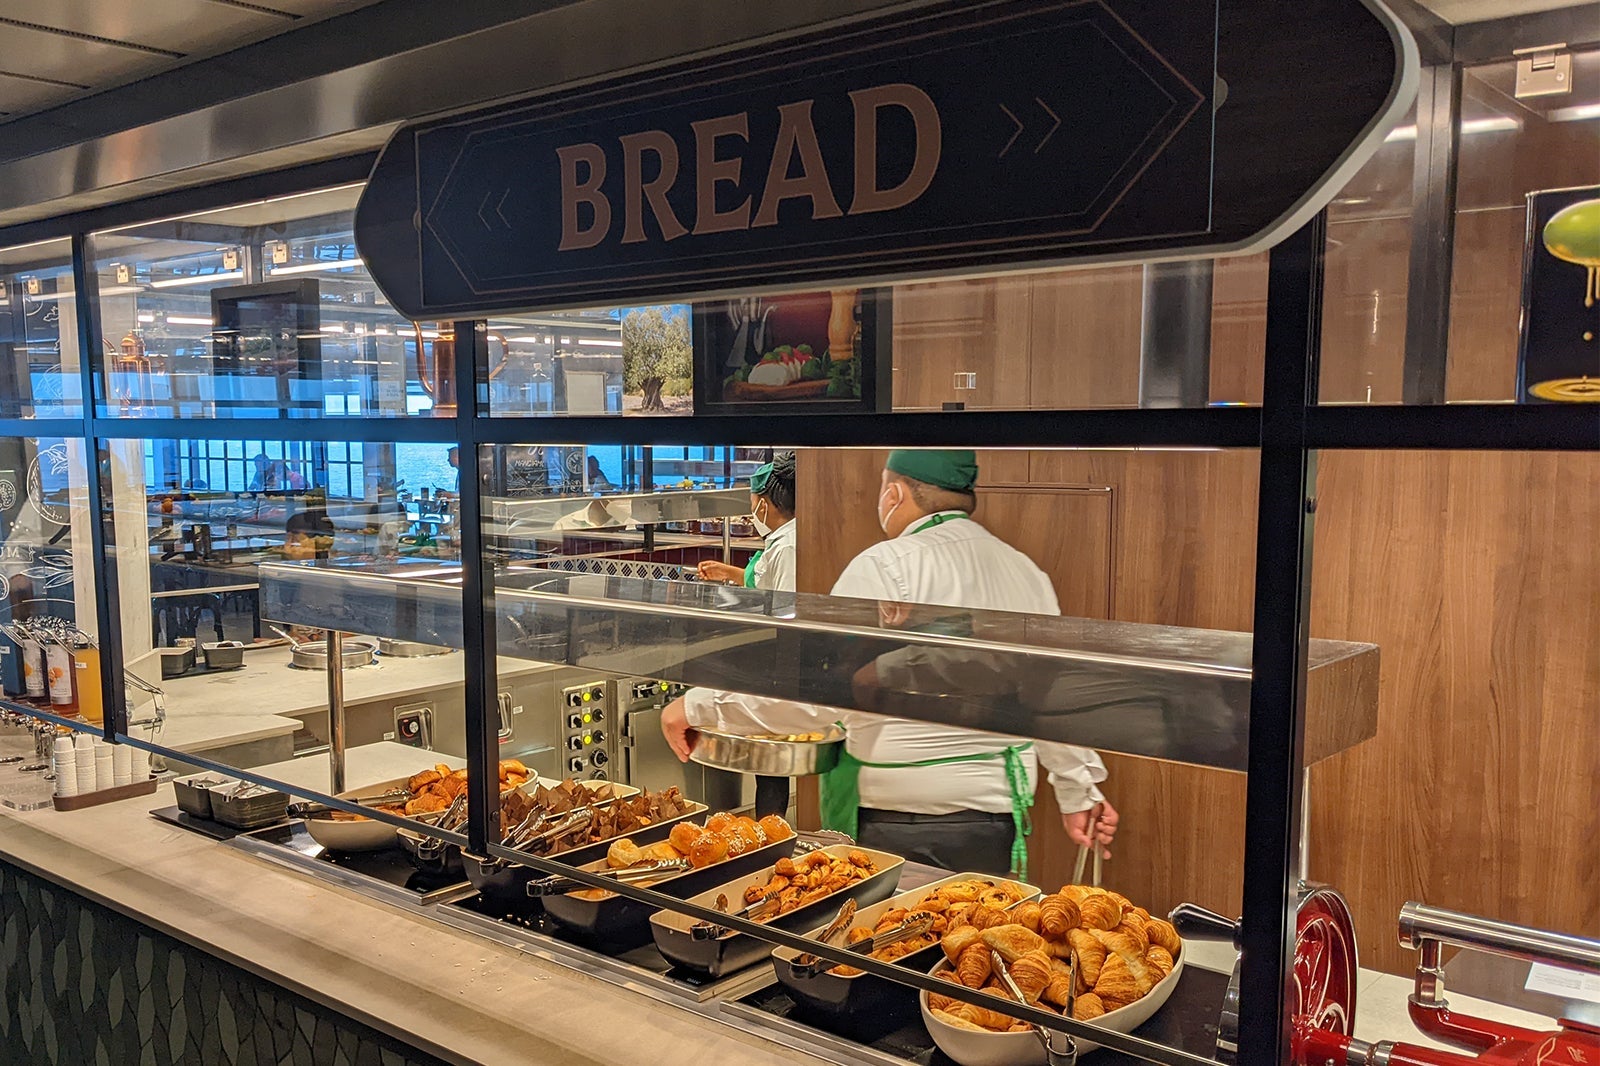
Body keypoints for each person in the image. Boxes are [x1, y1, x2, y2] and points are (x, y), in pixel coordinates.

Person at [662, 449, 1118, 878]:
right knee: (966, 946)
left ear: (895, 493)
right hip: (994, 821)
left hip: (899, 823)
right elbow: (1049, 696)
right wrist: (1079, 789)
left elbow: (819, 694)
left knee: (894, 951)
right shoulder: (1024, 571)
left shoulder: (884, 566)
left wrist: (699, 706)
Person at [691, 453, 798, 818]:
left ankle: (772, 833)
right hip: (768, 660)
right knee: (764, 765)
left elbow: (786, 610)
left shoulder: (789, 546)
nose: (752, 512)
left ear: (765, 504)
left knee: (769, 767)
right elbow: (760, 581)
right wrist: (727, 572)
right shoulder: (781, 541)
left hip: (779, 663)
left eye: (752, 504)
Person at [697, 452, 796, 590]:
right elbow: (764, 579)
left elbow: (787, 604)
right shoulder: (784, 540)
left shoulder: (787, 548)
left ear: (762, 506)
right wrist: (728, 572)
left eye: (752, 503)